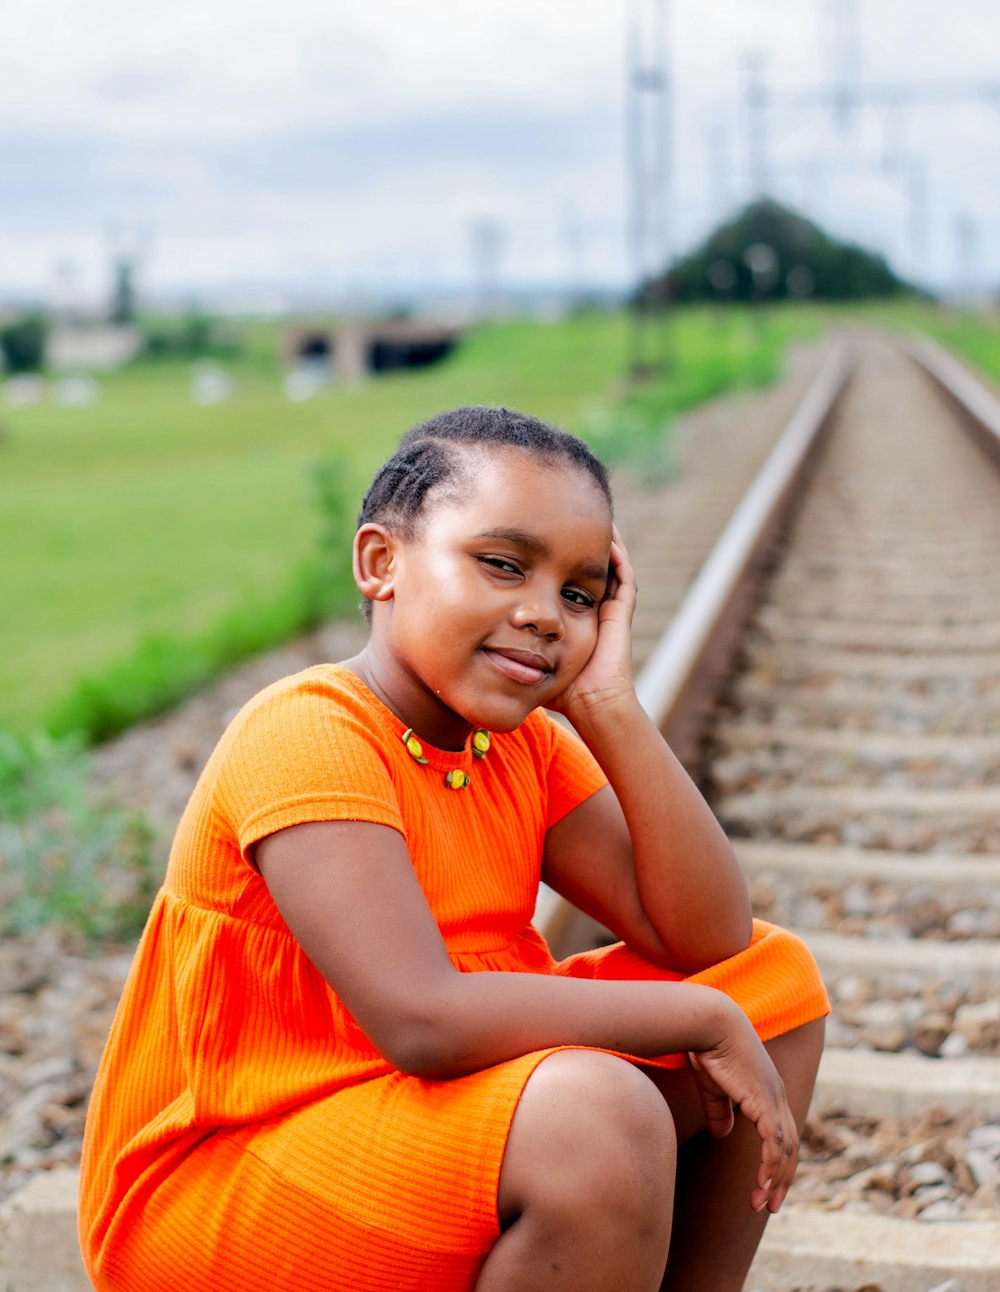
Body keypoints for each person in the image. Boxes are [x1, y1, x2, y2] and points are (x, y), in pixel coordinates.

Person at [79, 405, 829, 1292]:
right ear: (380, 562)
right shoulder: (310, 732)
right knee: (602, 1111)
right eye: (503, 564)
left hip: (409, 1123)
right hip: (233, 1170)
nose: (545, 615)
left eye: (580, 594)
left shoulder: (518, 746)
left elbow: (706, 936)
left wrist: (610, 708)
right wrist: (700, 1020)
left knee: (774, 984)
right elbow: (423, 1021)